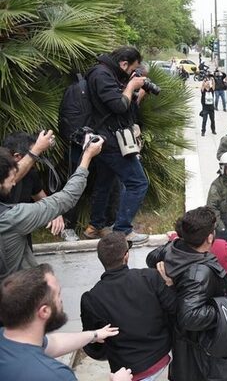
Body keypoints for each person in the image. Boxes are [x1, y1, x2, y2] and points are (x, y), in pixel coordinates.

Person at [146, 206, 227, 381]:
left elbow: (152, 258)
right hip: (204, 349)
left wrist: (170, 281)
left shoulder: (174, 247)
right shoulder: (200, 274)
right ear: (209, 237)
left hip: (187, 343)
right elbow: (190, 317)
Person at [0, 264, 130, 381]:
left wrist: (94, 335)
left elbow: (53, 343)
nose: (61, 301)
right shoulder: (55, 375)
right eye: (58, 295)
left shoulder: (8, 338)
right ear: (44, 311)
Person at [0, 137, 103, 282]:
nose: (14, 182)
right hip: (14, 293)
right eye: (11, 179)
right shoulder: (12, 218)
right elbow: (67, 197)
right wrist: (87, 156)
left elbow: (41, 197)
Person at [80, 232, 176, 379]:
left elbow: (92, 346)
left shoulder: (91, 299)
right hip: (162, 356)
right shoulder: (149, 277)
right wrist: (170, 285)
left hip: (127, 369)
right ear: (126, 255)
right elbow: (175, 309)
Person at [84, 46, 150, 244]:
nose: (133, 74)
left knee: (104, 182)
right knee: (138, 183)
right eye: (133, 69)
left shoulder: (107, 73)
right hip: (111, 140)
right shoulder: (102, 75)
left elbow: (123, 107)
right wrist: (130, 87)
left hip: (105, 138)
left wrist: (135, 91)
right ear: (123, 63)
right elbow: (119, 106)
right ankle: (122, 230)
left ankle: (95, 226)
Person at [1, 132, 66, 241]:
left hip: (20, 236)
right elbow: (13, 175)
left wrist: (55, 211)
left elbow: (41, 198)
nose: (37, 160)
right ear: (17, 156)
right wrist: (36, 150)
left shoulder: (30, 174)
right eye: (36, 157)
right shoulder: (2, 176)